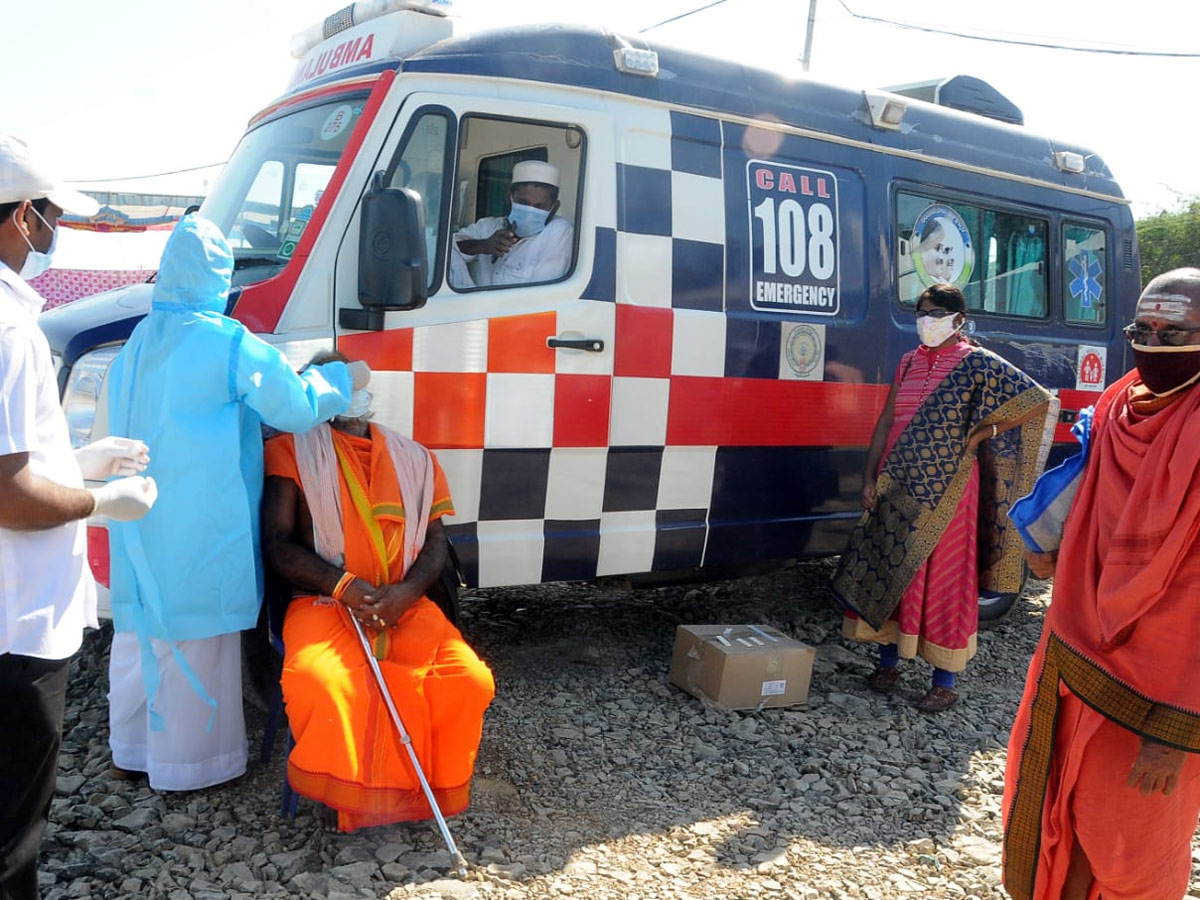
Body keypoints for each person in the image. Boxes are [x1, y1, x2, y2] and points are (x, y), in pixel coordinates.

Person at [104, 214, 370, 792]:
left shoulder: (139, 339)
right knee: (196, 645)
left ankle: (131, 751)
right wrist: (340, 382)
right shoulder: (225, 341)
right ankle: (191, 767)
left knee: (140, 633)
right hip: (201, 520)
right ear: (218, 280)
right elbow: (295, 407)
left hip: (138, 518)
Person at [1002, 269, 1200, 900]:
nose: (1156, 344)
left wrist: (1177, 734)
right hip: (1075, 659)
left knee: (1132, 845)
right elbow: (1075, 493)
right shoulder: (1120, 402)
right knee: (1065, 816)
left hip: (1164, 692)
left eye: (1176, 332)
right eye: (1144, 330)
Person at [0, 133, 158, 899]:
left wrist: (76, 460)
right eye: (53, 218)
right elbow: (9, 495)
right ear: (23, 215)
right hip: (15, 630)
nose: (55, 237)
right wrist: (98, 502)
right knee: (9, 840)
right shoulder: (9, 328)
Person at [261, 353, 494, 833]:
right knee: (325, 684)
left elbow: (436, 543)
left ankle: (413, 792)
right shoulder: (291, 450)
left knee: (468, 680)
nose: (350, 396)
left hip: (404, 603)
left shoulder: (416, 457)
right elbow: (277, 545)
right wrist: (344, 587)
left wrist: (406, 594)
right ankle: (346, 794)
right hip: (324, 602)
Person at [832, 283, 1052, 712]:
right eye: (921, 312)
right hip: (897, 483)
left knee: (945, 576)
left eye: (934, 313)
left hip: (950, 490)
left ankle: (945, 678)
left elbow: (1038, 401)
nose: (925, 320)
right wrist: (868, 476)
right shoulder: (908, 362)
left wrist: (984, 434)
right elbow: (885, 422)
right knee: (890, 567)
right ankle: (888, 661)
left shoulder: (976, 363)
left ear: (957, 320)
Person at [449, 160, 572, 288]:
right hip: (472, 305)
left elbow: (539, 293)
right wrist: (482, 245)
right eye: (523, 203)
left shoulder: (559, 231)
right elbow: (445, 251)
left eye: (539, 207)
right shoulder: (487, 226)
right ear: (509, 197)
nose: (530, 211)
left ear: (554, 207)